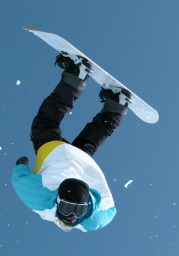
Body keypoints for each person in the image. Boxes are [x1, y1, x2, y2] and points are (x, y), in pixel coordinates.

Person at [11, 52, 130, 232]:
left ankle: (117, 105)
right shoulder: (41, 200)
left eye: (67, 207)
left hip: (83, 162)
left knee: (91, 139)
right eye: (78, 209)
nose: (71, 215)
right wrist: (20, 166)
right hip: (55, 154)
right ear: (87, 203)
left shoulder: (97, 218)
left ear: (58, 199)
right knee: (45, 123)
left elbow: (111, 211)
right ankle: (77, 74)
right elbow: (20, 182)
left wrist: (21, 167)